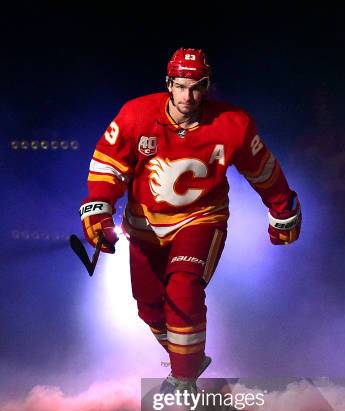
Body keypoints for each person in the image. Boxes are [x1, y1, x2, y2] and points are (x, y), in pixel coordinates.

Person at [79, 48, 301, 393]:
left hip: (201, 219)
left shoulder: (233, 123)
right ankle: (189, 359)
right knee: (149, 307)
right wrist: (99, 207)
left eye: (197, 87)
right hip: (144, 225)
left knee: (183, 287)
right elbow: (109, 165)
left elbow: (263, 170)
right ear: (168, 83)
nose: (188, 96)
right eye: (181, 86)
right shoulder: (136, 114)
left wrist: (283, 209)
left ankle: (182, 380)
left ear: (207, 85)